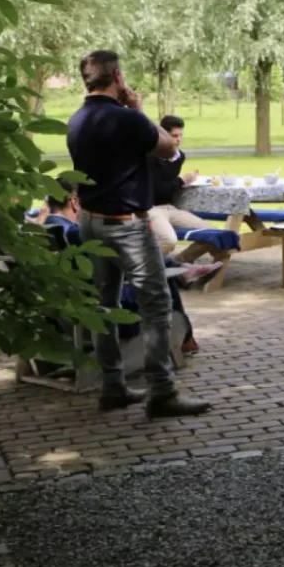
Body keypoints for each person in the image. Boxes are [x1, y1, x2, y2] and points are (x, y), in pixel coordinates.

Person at [67, 49, 210, 417]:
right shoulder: (126, 120)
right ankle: (162, 392)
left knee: (105, 307)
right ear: (117, 76)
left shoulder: (77, 120)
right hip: (128, 225)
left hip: (90, 222)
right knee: (156, 304)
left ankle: (113, 387)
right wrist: (138, 108)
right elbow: (167, 148)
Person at [41, 177, 214, 354]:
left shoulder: (45, 231)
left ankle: (179, 270)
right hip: (101, 311)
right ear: (75, 202)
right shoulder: (77, 234)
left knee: (151, 266)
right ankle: (186, 339)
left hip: (63, 313)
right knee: (162, 280)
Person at [148, 114, 206, 254]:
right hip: (151, 209)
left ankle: (181, 262)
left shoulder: (179, 156)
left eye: (180, 135)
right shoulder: (150, 157)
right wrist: (182, 181)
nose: (178, 139)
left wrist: (182, 182)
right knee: (168, 241)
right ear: (163, 136)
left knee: (213, 234)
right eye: (174, 136)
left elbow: (169, 182)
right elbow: (157, 190)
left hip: (170, 208)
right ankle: (141, 271)